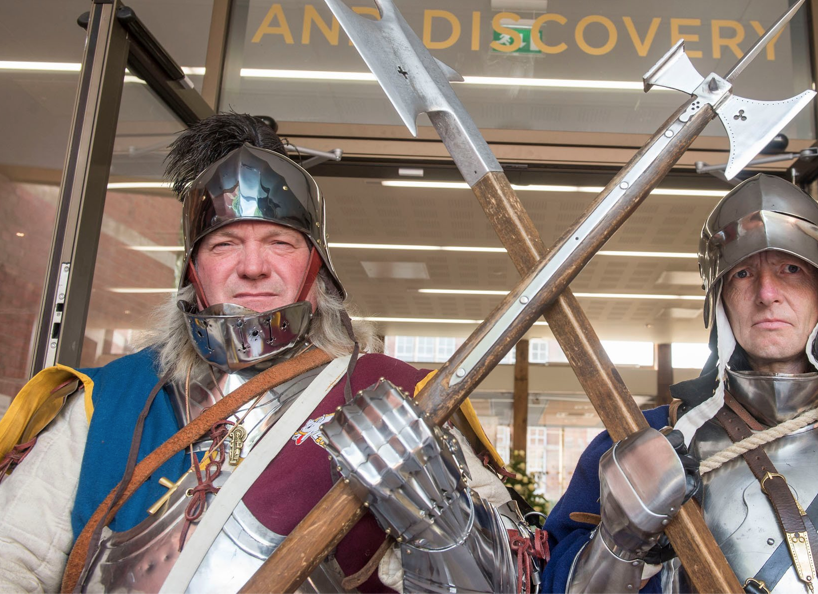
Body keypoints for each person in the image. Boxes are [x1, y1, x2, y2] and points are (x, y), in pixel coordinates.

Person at [0, 113, 538, 593]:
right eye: (225, 244)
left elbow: (505, 578)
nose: (253, 266)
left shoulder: (394, 391)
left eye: (279, 242)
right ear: (193, 271)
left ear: (316, 265)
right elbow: (13, 558)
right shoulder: (107, 400)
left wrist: (437, 520)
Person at [542, 174, 818, 593]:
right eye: (742, 273)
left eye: (790, 269)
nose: (766, 292)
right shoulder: (639, 444)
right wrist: (618, 542)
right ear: (720, 300)